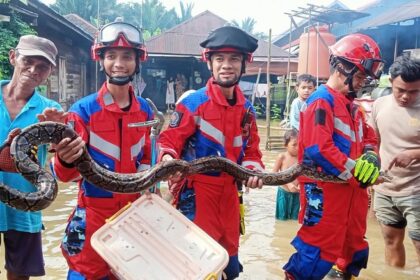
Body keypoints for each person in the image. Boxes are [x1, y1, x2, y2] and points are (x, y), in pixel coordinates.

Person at [158, 26, 264, 279]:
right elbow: (168, 140)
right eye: (220, 59)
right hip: (196, 194)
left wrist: (253, 170)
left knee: (229, 262)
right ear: (210, 63)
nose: (226, 65)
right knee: (196, 266)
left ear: (243, 64)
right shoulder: (192, 104)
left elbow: (253, 152)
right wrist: (167, 158)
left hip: (230, 194)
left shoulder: (247, 110)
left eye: (234, 59)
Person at [51, 20, 153, 279]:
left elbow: (146, 160)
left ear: (138, 61)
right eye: (111, 56)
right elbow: (64, 176)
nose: (119, 63)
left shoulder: (146, 110)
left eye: (127, 56)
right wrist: (63, 158)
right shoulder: (82, 111)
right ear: (101, 60)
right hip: (93, 216)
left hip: (133, 217)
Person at [283, 33, 384, 280]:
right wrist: (356, 173)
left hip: (353, 193)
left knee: (353, 249)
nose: (362, 82)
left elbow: (370, 137)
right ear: (343, 68)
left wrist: (371, 157)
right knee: (314, 253)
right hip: (324, 192)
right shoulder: (321, 101)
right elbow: (319, 148)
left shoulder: (354, 107)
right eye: (359, 75)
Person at [0, 35, 63, 280]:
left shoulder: (50, 109)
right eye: (28, 60)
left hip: (26, 204)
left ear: (49, 72)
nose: (34, 69)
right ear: (14, 57)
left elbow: (61, 156)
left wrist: (58, 134)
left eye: (43, 66)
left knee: (19, 275)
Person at [368, 55, 420, 268]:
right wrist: (370, 180)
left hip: (417, 190)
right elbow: (373, 143)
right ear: (391, 82)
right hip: (385, 188)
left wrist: (414, 154)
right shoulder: (379, 105)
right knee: (391, 241)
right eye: (401, 90)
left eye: (414, 91)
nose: (406, 97)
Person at [273, 128, 299, 220]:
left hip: (297, 194)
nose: (298, 148)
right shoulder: (282, 157)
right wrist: (289, 184)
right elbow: (273, 176)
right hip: (283, 193)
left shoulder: (301, 158)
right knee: (281, 219)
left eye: (300, 144)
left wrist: (300, 184)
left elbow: (303, 175)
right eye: (294, 145)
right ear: (285, 145)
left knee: (295, 219)